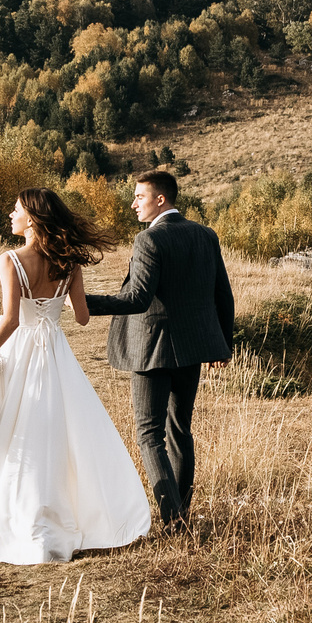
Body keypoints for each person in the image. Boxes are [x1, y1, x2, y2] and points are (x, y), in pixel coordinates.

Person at [0, 187, 153, 564]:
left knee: (14, 434)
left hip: (21, 352)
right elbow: (82, 316)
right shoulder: (69, 262)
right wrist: (56, 301)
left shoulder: (9, 260)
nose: (11, 215)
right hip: (56, 353)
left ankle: (15, 519)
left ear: (32, 218)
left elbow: (11, 320)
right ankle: (66, 516)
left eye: (16, 210)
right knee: (60, 431)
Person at [84, 169, 236, 532]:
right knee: (180, 430)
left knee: (149, 433)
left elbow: (137, 298)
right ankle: (180, 513)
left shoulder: (149, 240)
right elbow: (223, 295)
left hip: (151, 349)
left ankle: (173, 518)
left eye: (140, 196)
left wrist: (84, 303)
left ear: (160, 199)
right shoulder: (205, 235)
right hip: (193, 349)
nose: (134, 203)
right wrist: (223, 344)